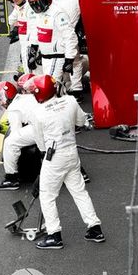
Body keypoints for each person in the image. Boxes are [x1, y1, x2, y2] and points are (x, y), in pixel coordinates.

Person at [30, 75, 104, 249]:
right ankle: (95, 228)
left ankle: (54, 235)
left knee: (47, 196)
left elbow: (40, 143)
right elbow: (81, 121)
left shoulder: (38, 112)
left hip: (53, 156)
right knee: (79, 191)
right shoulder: (70, 101)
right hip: (72, 152)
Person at [44, 0, 88, 100]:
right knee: (76, 61)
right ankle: (76, 90)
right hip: (72, 38)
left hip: (56, 41)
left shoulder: (50, 3)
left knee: (56, 65)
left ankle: (55, 91)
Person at [0, 80, 39, 191]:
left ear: (8, 93)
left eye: (0, 99)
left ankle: (11, 179)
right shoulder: (25, 97)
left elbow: (16, 131)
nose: (1, 103)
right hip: (51, 124)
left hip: (40, 128)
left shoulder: (13, 108)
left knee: (10, 142)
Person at [27, 0, 79, 87]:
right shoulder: (39, 14)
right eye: (34, 5)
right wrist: (32, 52)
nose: (37, 7)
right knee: (52, 88)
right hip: (44, 58)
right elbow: (36, 32)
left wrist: (69, 59)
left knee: (48, 88)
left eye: (39, 3)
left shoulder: (58, 14)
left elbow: (70, 36)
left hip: (57, 57)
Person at [5, 0, 34, 75]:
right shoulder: (19, 6)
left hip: (32, 48)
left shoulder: (31, 8)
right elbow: (10, 20)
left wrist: (34, 51)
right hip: (25, 47)